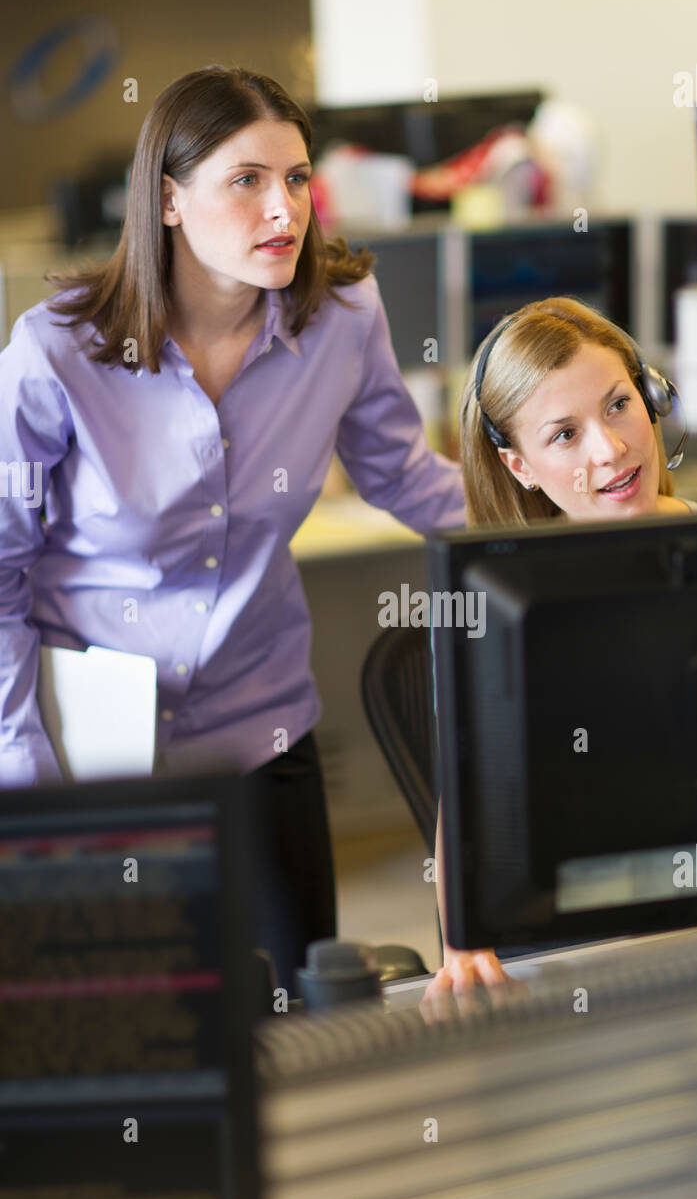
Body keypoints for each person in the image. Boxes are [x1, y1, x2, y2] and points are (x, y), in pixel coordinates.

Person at [0, 65, 466, 993]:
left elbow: (403, 475)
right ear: (168, 200)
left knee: (304, 1011)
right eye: (246, 181)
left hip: (260, 731)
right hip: (88, 753)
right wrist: (27, 770)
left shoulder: (342, 317)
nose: (283, 209)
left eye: (296, 178)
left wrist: (570, 514)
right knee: (130, 1022)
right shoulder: (57, 352)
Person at [424, 296, 697, 1002]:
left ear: (653, 399)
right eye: (564, 434)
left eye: (619, 405)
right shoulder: (495, 602)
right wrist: (465, 944)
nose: (609, 450)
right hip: (568, 932)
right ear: (519, 465)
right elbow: (466, 809)